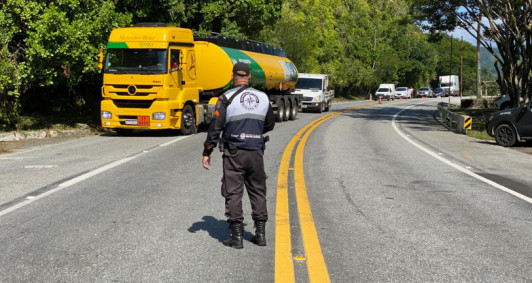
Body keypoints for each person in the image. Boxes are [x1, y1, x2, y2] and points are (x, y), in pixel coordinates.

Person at [202, 62, 275, 249]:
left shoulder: (226, 98)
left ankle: (236, 238)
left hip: (234, 152)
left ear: (233, 76)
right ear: (249, 76)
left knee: (233, 192)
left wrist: (207, 151)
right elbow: (269, 124)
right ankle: (260, 235)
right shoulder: (263, 97)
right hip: (256, 151)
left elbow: (215, 126)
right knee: (258, 190)